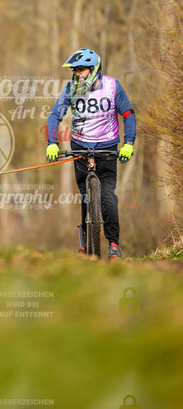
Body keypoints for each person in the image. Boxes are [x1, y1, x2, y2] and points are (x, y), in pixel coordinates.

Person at [45, 48, 136, 259]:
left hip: (107, 146)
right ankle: (84, 240)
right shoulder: (71, 89)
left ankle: (114, 244)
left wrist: (128, 144)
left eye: (81, 70)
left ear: (93, 69)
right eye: (75, 70)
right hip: (80, 145)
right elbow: (54, 116)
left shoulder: (113, 86)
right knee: (85, 195)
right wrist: (52, 143)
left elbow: (128, 115)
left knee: (108, 196)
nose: (77, 74)